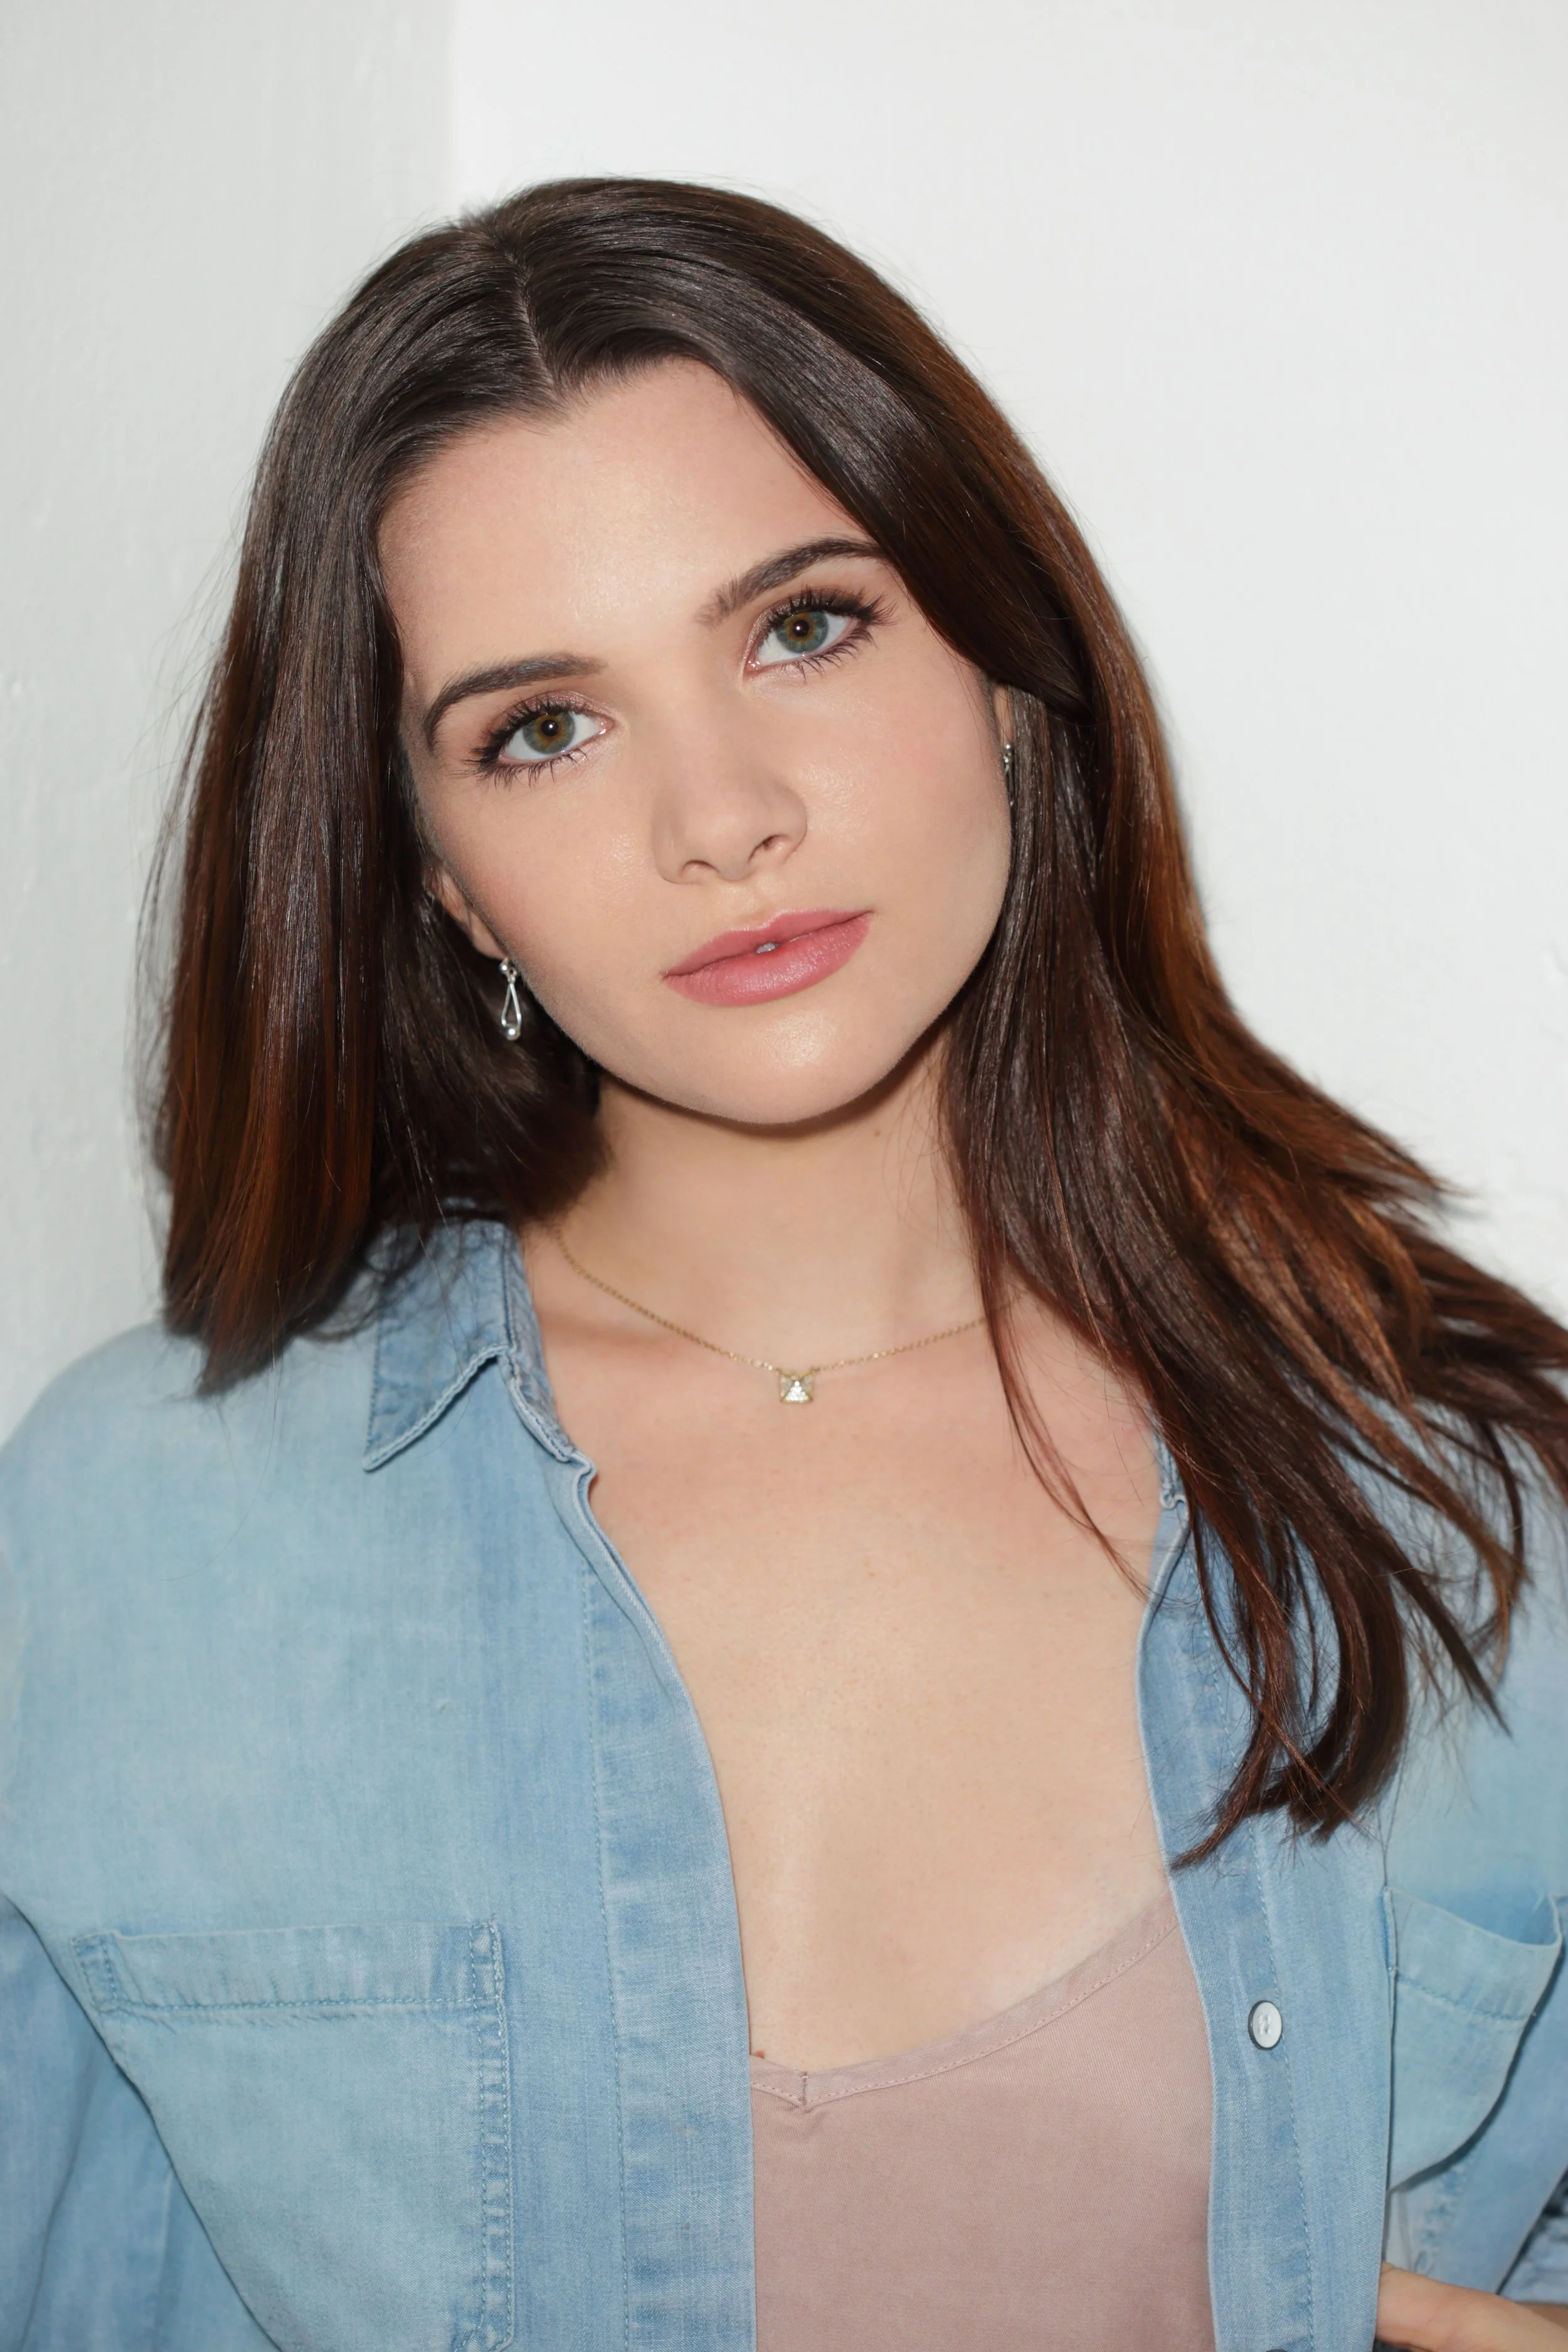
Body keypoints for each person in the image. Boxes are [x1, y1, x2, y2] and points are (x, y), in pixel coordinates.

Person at [0, 178, 1564, 2352]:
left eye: (802, 626)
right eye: (540, 726)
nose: (719, 811)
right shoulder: (127, 1540)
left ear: (1005, 676)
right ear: (442, 881)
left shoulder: (1468, 1516)